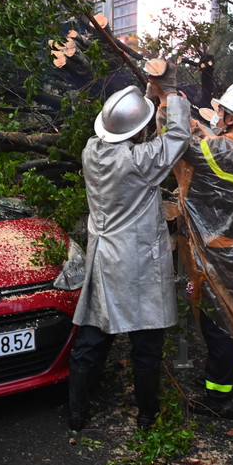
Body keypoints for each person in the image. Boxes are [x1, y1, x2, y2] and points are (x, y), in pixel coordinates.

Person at [68, 64, 190, 431]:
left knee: (92, 339)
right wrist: (170, 95)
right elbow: (178, 136)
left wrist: (147, 94)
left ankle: (76, 415)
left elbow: (125, 125)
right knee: (146, 344)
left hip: (103, 258)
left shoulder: (92, 152)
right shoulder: (139, 162)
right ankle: (146, 415)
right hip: (137, 262)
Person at [170, 81, 233, 420]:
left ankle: (219, 397)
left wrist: (173, 110)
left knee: (218, 326)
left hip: (220, 253)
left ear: (231, 118)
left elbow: (188, 148)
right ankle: (231, 380)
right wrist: (190, 117)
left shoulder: (226, 150)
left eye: (222, 112)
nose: (218, 115)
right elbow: (206, 142)